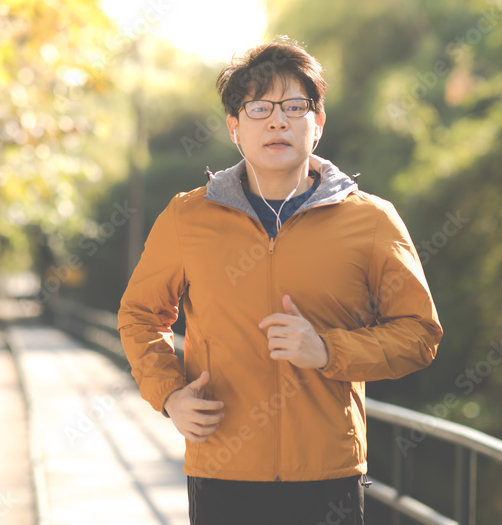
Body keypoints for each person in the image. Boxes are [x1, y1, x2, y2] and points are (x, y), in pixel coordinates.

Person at [117, 36, 443, 525]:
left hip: (328, 474)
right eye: (259, 108)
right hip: (222, 468)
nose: (277, 120)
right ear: (234, 128)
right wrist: (169, 395)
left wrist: (329, 351)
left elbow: (419, 334)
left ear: (318, 124)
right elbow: (140, 315)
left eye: (295, 106)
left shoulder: (372, 220)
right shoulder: (188, 217)